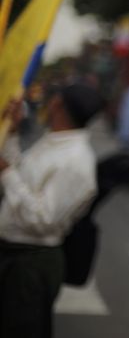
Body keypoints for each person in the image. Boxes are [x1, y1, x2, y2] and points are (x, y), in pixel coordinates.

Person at [0, 83, 104, 338]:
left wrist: (6, 173)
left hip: (31, 263)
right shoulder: (54, 142)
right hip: (13, 254)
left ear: (57, 104)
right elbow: (22, 173)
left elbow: (42, 218)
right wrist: (12, 132)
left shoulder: (77, 161)